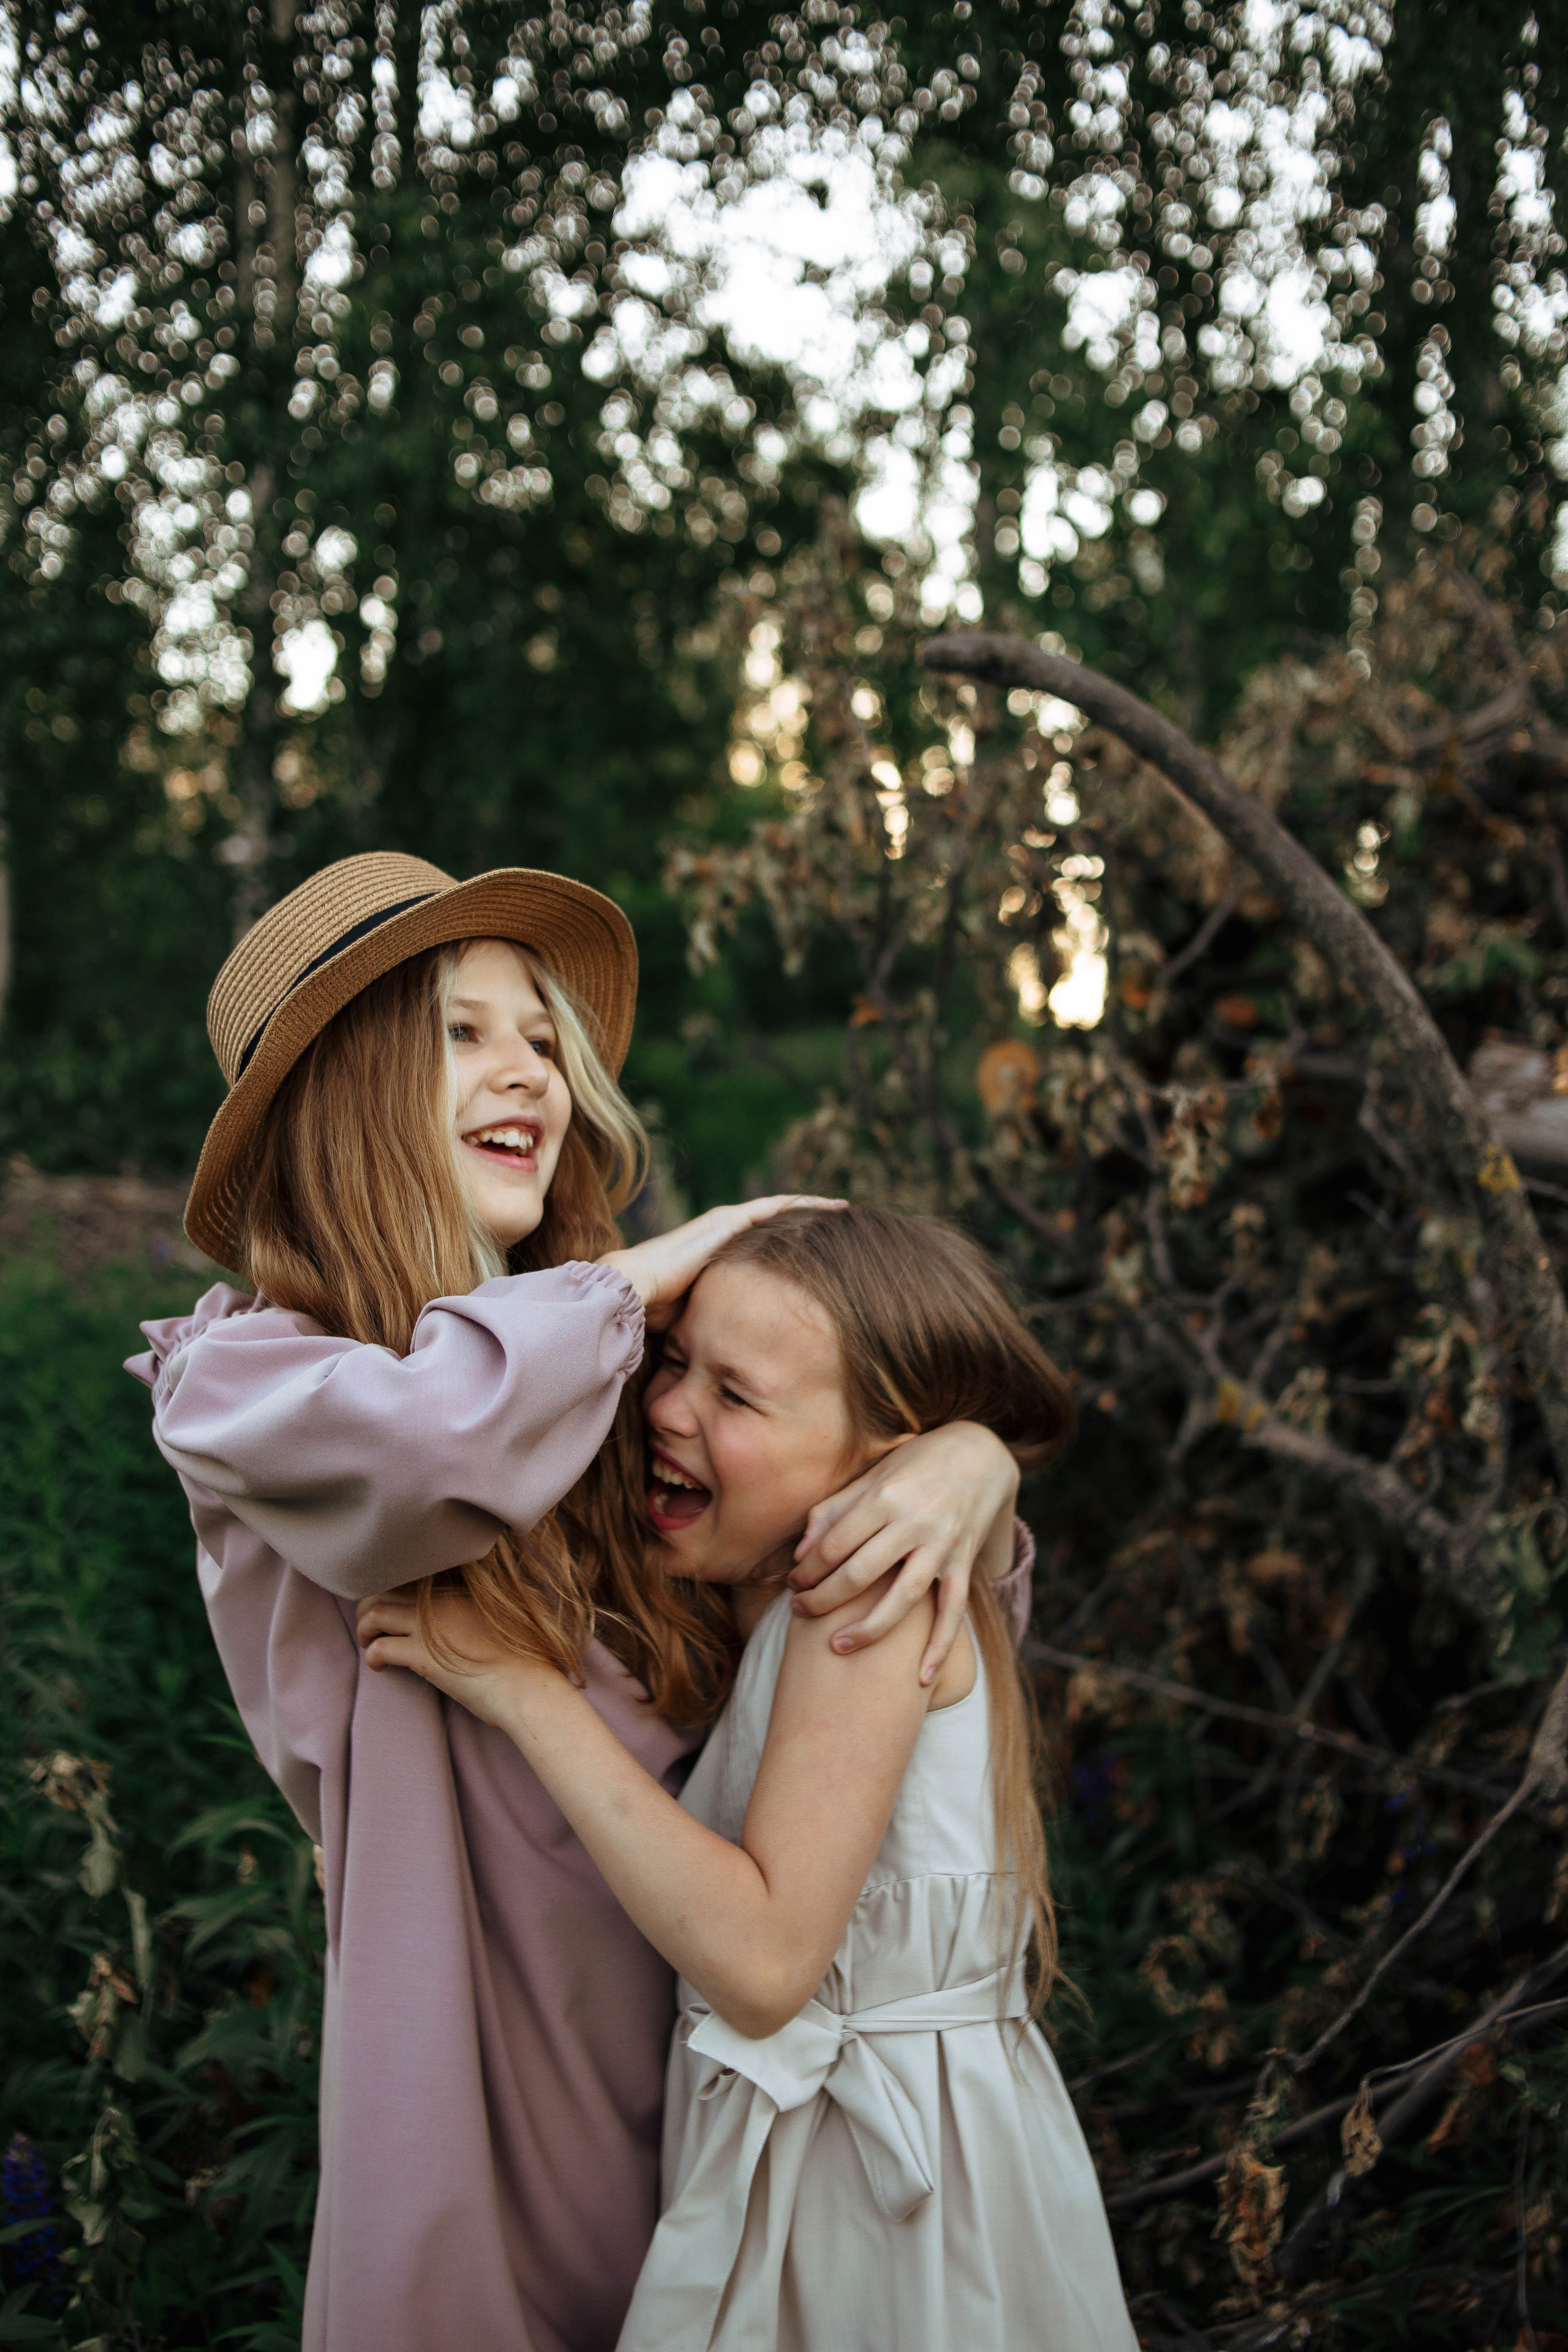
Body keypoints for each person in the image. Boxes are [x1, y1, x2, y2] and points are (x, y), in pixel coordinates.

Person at [128, 853, 1028, 2352]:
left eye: (543, 1038)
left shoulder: (602, 1386)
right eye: (461, 1032)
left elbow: (847, 1544)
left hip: (708, 2075)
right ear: (344, 1093)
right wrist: (647, 1272)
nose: (528, 1072)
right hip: (467, 2069)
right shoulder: (247, 1383)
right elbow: (429, 1443)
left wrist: (963, 1462)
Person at [360, 1205, 1139, 2352]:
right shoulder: (778, 1599)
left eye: (736, 1396)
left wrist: (527, 1694)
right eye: (672, 1363)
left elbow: (767, 1965)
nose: (667, 1409)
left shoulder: (859, 1598)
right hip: (826, 2153)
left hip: (879, 2200)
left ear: (886, 1456)